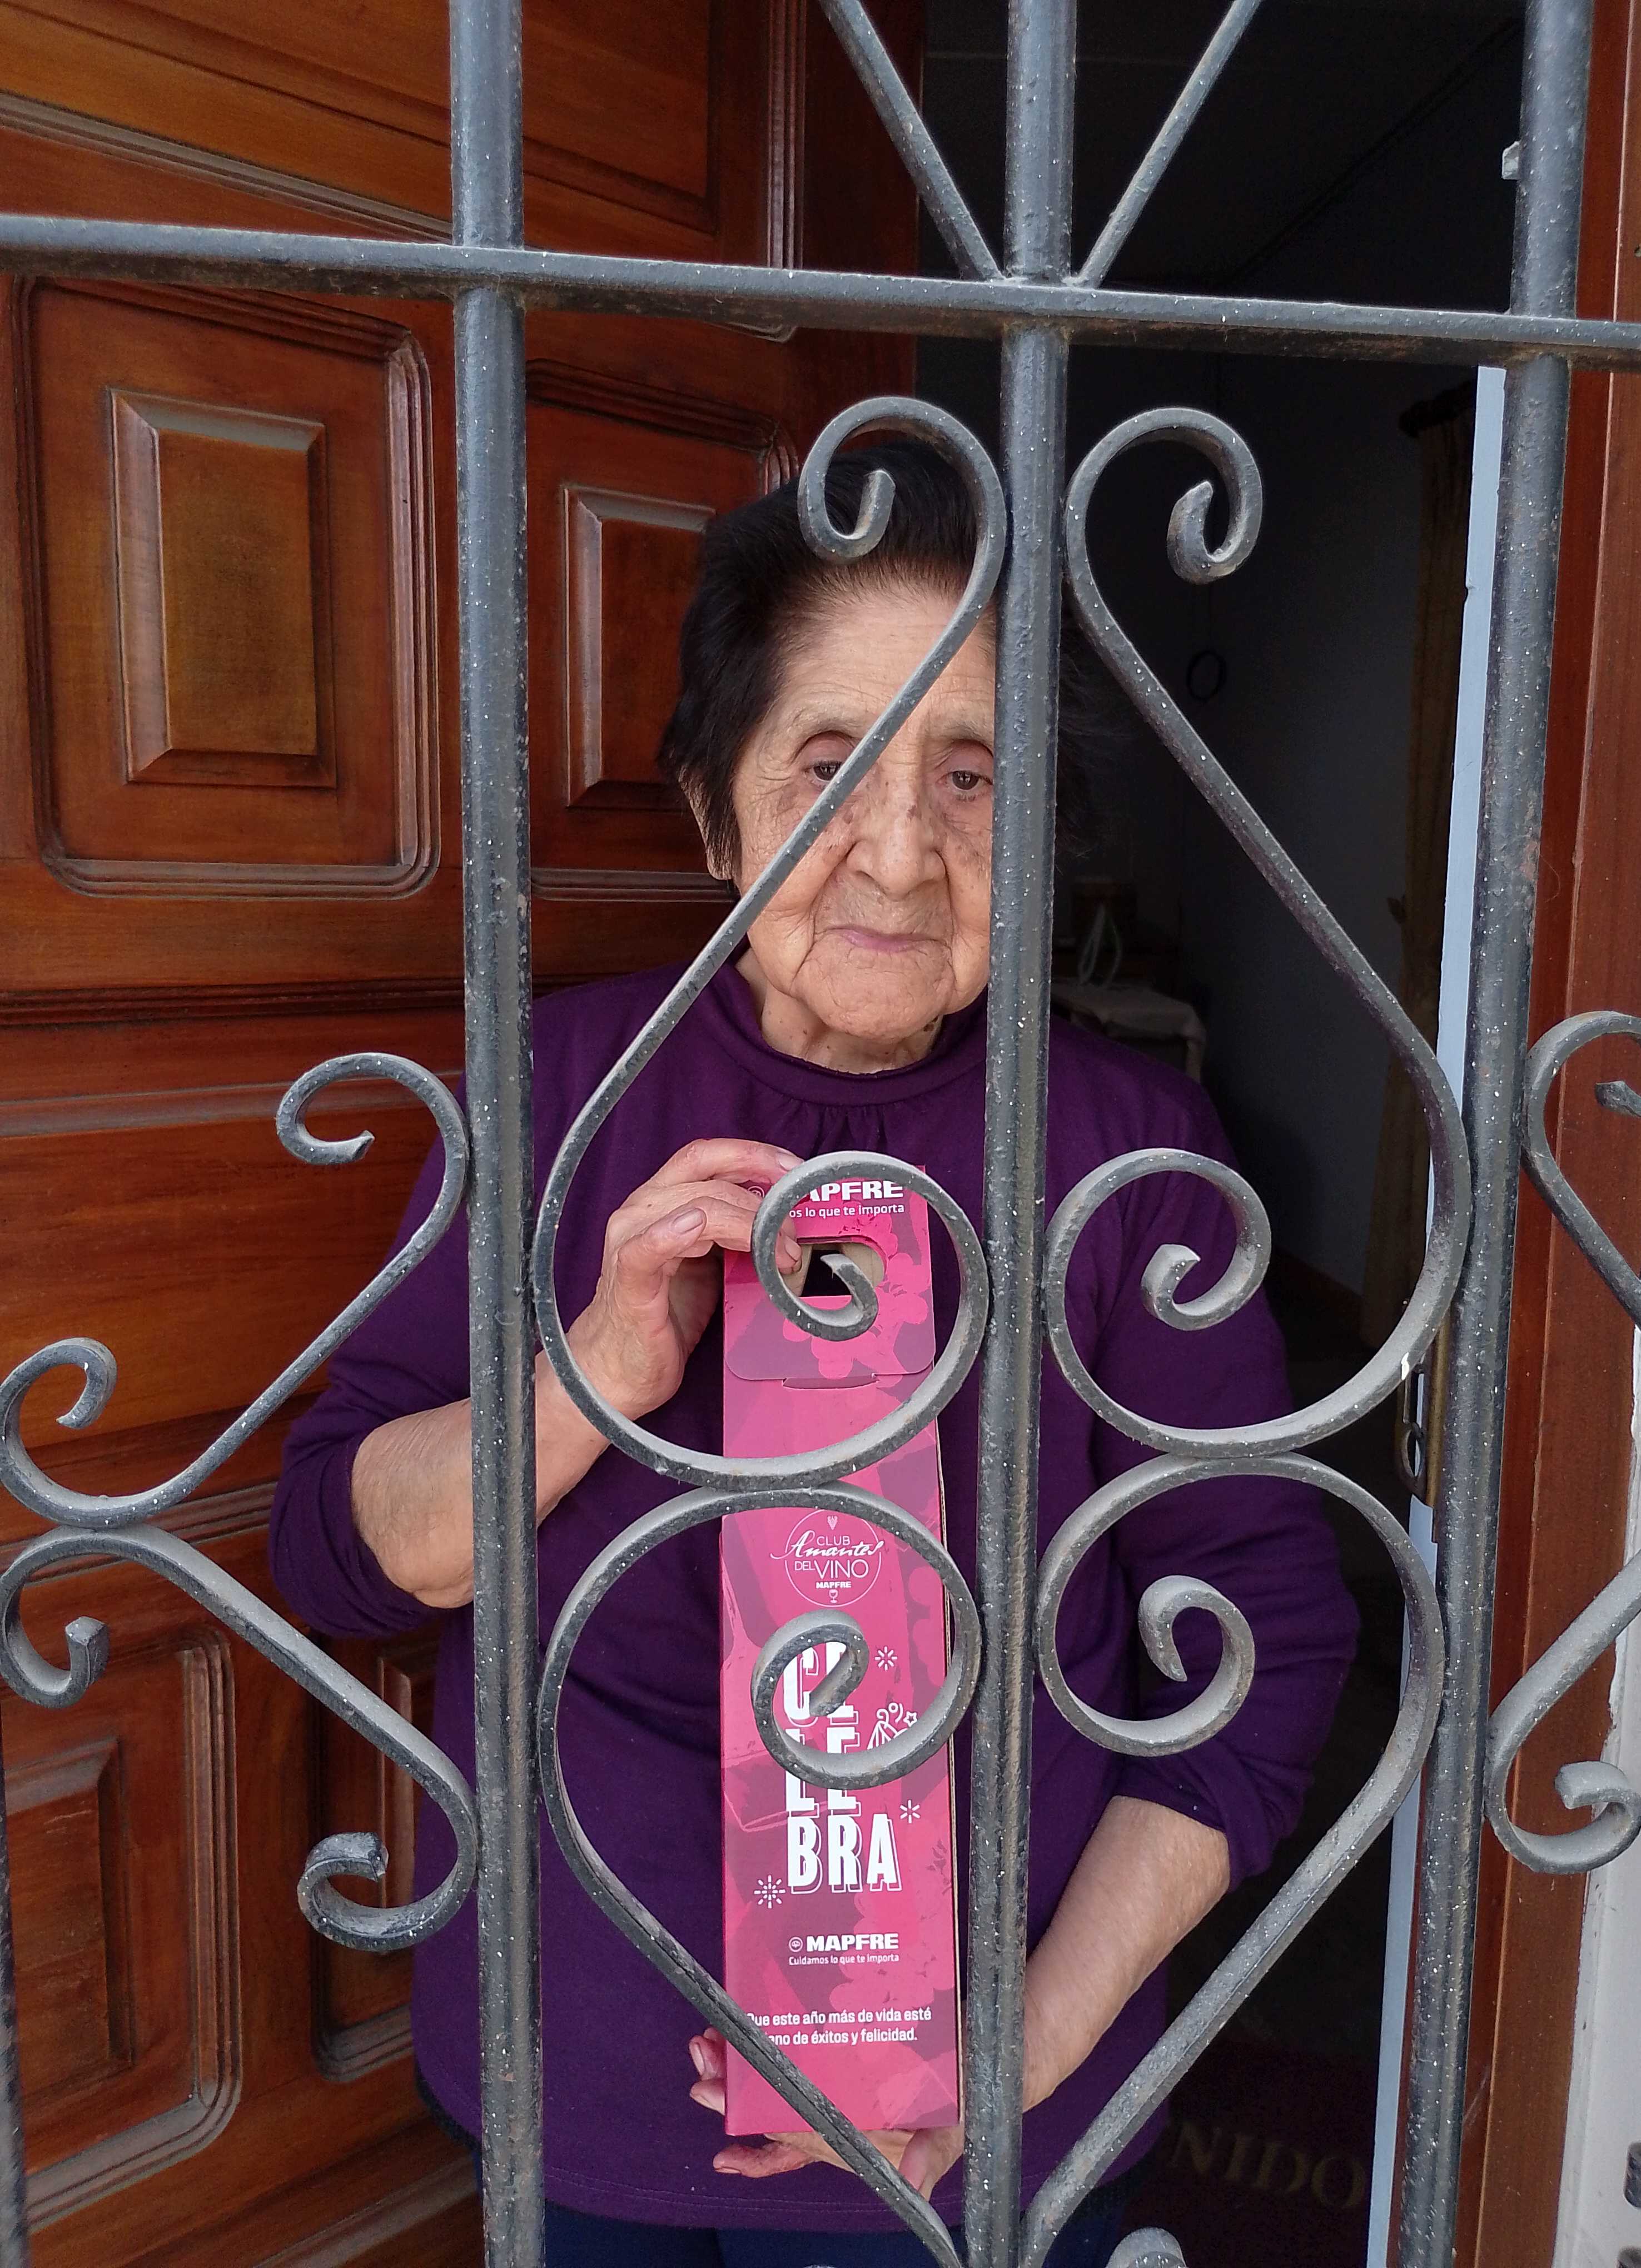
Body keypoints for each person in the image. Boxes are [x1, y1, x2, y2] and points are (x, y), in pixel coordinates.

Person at [270, 439, 1358, 2267]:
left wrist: (1021, 2048)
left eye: (969, 776)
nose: (902, 851)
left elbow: (1265, 1638)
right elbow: (335, 1549)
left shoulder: (1130, 1151)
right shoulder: (557, 1090)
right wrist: (597, 1368)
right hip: (583, 2069)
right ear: (715, 819)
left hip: (977, 2106)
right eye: (828, 761)